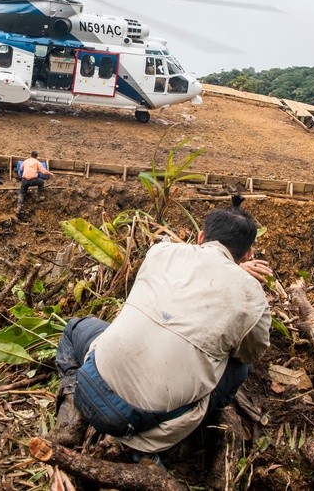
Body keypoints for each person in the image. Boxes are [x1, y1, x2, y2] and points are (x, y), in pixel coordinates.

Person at [48, 195, 273, 456]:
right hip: (143, 423)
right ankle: (186, 442)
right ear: (248, 254)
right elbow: (251, 352)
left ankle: (71, 410)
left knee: (74, 328)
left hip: (90, 388)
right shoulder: (250, 295)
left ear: (201, 237)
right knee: (240, 367)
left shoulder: (161, 252)